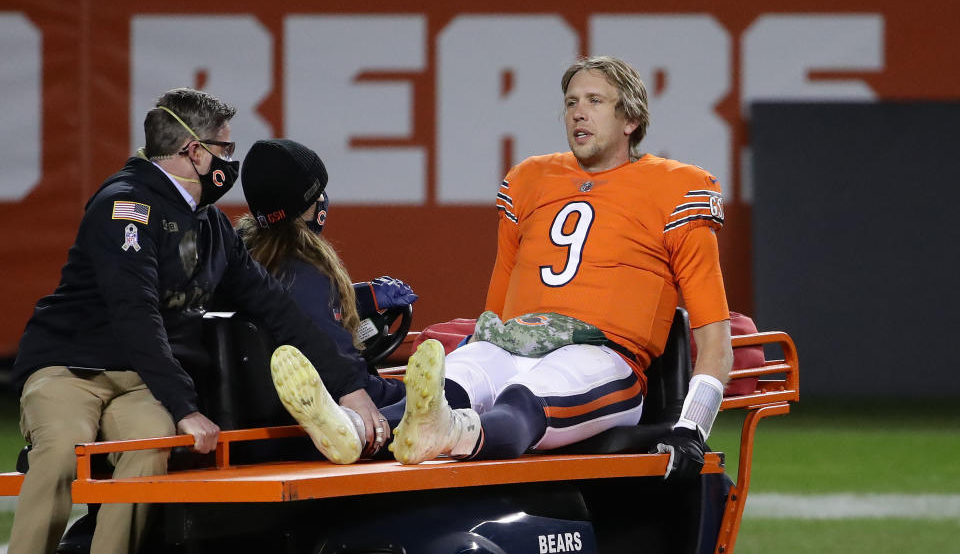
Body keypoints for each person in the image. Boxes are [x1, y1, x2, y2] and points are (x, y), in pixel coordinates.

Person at [10, 88, 382, 554]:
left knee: (148, 453)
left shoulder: (210, 227)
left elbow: (277, 307)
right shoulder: (125, 207)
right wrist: (185, 408)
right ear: (194, 152)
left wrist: (349, 384)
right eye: (225, 149)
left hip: (143, 379)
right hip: (71, 367)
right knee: (63, 449)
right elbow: (135, 314)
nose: (231, 162)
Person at [386, 55, 734, 478]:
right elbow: (495, 310)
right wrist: (483, 342)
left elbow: (714, 337)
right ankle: (355, 427)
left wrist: (693, 426)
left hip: (604, 356)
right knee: (448, 386)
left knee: (524, 402)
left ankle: (449, 432)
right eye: (570, 103)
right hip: (510, 344)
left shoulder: (677, 189)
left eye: (595, 101)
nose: (578, 113)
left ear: (631, 120)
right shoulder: (529, 180)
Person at [236, 138, 417, 458]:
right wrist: (405, 391)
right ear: (303, 205)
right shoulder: (304, 271)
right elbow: (343, 374)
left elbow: (301, 311)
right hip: (316, 423)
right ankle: (358, 430)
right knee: (447, 398)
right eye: (316, 193)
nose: (323, 200)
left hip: (256, 424)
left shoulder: (249, 261)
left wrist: (358, 300)